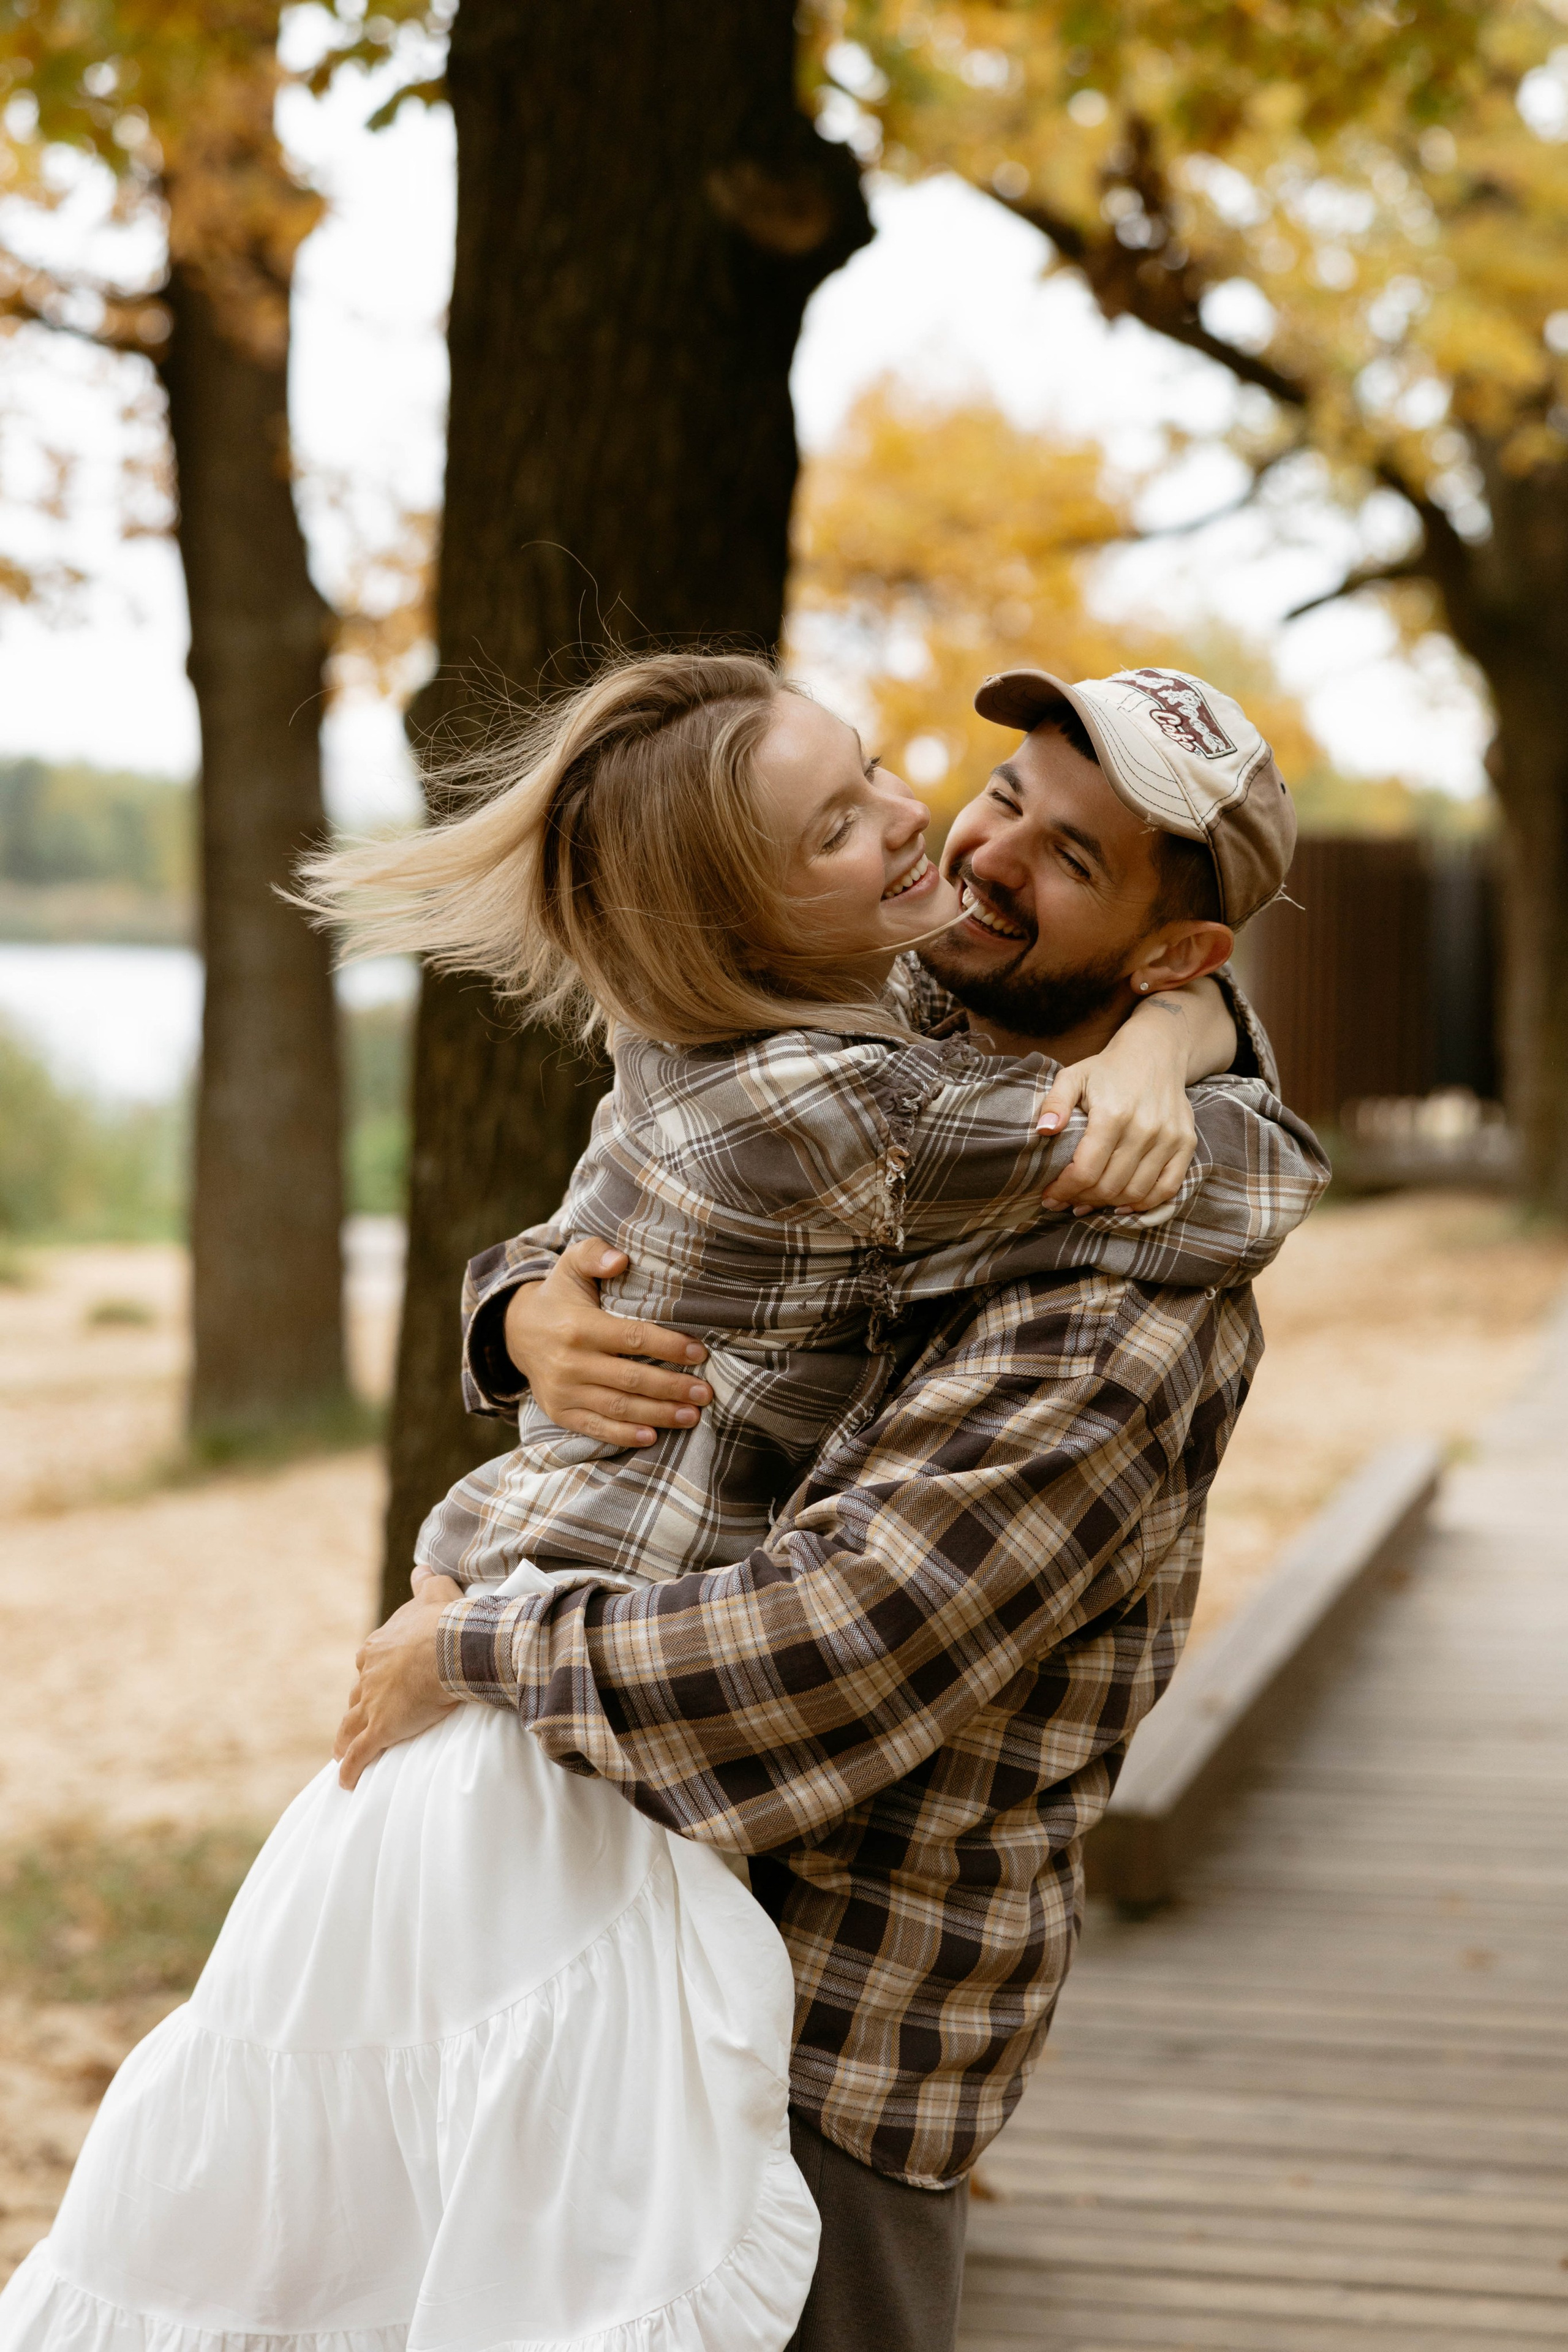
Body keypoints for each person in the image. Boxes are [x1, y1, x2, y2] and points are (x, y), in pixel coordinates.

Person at [0, 655, 1321, 2352]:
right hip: (597, 1919)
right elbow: (649, 1194)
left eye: (1072, 858)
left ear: (1173, 943)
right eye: (1004, 794)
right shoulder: (895, 1062)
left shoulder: (1119, 1309)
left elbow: (840, 1647)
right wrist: (524, 1304)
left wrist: (482, 1640)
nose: (980, 847)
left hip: (825, 2042)